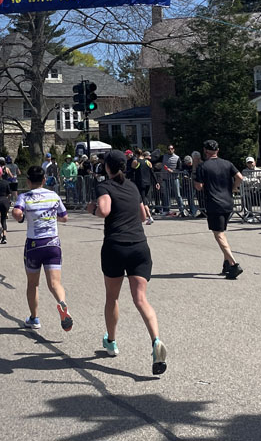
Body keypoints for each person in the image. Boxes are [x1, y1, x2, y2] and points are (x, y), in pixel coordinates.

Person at [87, 150, 167, 375]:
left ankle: (111, 342)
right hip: (139, 246)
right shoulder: (132, 187)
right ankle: (156, 341)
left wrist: (92, 209)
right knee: (141, 299)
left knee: (112, 297)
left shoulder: (104, 186)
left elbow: (104, 210)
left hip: (116, 246)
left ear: (107, 167)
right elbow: (143, 216)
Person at [12, 165, 73, 332]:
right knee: (55, 283)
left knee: (33, 284)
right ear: (44, 180)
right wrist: (51, 217)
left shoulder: (25, 196)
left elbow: (17, 213)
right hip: (52, 243)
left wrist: (21, 217)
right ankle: (62, 303)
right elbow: (64, 217)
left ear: (28, 181)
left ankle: (34, 318)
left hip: (34, 245)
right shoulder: (53, 196)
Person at [194, 139, 244, 279]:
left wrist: (197, 173)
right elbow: (240, 177)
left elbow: (198, 186)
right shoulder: (227, 163)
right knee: (222, 232)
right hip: (228, 202)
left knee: (219, 234)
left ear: (205, 151)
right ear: (218, 150)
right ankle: (226, 263)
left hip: (214, 203)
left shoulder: (203, 166)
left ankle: (233, 264)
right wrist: (233, 188)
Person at [132, 148, 160, 225]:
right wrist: (156, 182)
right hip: (148, 183)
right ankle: (141, 216)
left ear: (136, 154)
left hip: (140, 183)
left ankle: (149, 217)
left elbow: (131, 172)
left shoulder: (136, 162)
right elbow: (152, 173)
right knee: (143, 199)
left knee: (143, 200)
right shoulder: (148, 162)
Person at [242, 156, 261, 223]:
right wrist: (256, 179)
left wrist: (250, 181)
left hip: (258, 189)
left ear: (255, 162)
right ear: (246, 164)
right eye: (248, 163)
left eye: (251, 162)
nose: (250, 164)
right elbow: (245, 181)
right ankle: (250, 215)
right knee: (246, 196)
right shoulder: (244, 171)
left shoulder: (260, 171)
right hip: (249, 190)